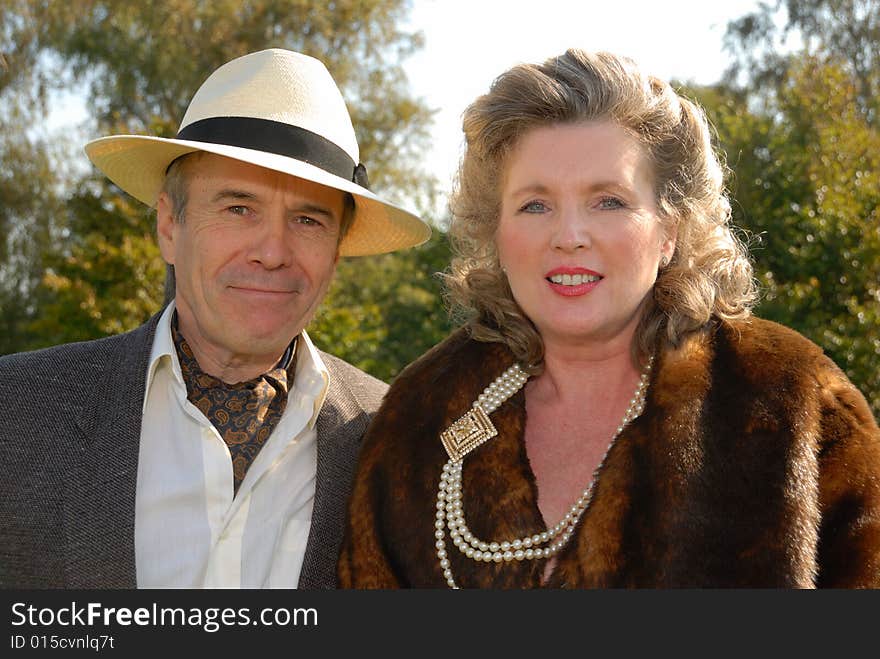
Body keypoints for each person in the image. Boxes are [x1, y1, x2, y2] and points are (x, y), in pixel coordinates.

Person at [338, 49, 880, 588]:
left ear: (669, 230)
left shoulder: (793, 403)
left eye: (609, 202)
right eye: (534, 205)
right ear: (495, 233)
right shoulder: (422, 416)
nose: (569, 235)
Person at [0, 48, 430, 588]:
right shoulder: (16, 410)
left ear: (336, 252)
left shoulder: (398, 442)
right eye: (238, 208)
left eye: (308, 219)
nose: (272, 251)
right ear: (169, 227)